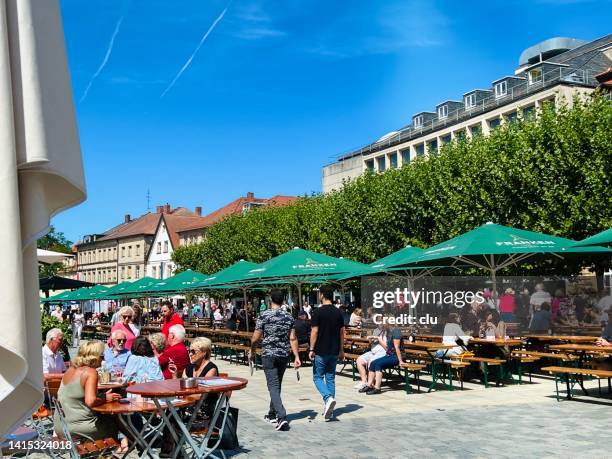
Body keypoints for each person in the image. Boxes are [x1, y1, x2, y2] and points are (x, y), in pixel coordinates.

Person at [249, 289, 300, 432]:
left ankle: (281, 416)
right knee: (277, 385)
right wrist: (296, 356)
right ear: (283, 300)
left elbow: (256, 337)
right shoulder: (289, 316)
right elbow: (293, 338)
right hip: (284, 354)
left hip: (269, 355)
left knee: (273, 385)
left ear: (270, 299)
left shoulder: (264, 315)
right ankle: (272, 413)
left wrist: (252, 351)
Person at [53, 341, 122, 442]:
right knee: (114, 423)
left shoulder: (70, 370)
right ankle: (109, 452)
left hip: (60, 426)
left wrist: (102, 396)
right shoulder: (90, 372)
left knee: (108, 420)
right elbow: (90, 401)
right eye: (102, 355)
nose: (103, 359)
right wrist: (105, 398)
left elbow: (77, 396)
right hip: (79, 427)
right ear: (94, 357)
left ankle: (88, 453)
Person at [309, 285, 344, 420]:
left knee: (317, 377)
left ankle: (328, 398)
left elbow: (314, 331)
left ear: (322, 295)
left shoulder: (317, 312)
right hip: (334, 350)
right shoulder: (338, 312)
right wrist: (341, 349)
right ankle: (330, 409)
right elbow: (342, 333)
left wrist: (311, 349)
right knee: (330, 378)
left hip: (321, 350)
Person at [361, 326, 405, 395]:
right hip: (390, 355)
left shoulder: (396, 331)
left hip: (398, 356)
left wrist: (401, 361)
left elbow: (397, 348)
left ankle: (377, 388)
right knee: (373, 363)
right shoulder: (388, 332)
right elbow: (388, 348)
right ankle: (369, 385)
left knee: (379, 364)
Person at [355, 324, 387, 392]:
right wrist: (370, 340)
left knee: (371, 361)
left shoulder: (387, 332)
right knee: (359, 360)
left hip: (382, 352)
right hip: (373, 351)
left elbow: (387, 348)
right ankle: (364, 382)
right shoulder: (375, 330)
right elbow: (371, 344)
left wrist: (379, 339)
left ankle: (371, 384)